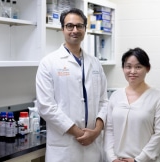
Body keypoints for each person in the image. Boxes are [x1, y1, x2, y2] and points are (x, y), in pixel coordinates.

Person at [35, 8, 108, 162]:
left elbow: (104, 101)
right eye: (70, 26)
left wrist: (96, 131)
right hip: (64, 149)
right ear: (62, 29)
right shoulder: (49, 63)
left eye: (79, 26)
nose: (75, 30)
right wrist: (79, 133)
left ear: (85, 29)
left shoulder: (95, 63)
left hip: (93, 148)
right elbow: (46, 106)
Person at [104, 47, 160, 162]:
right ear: (123, 68)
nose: (132, 71)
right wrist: (112, 158)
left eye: (138, 67)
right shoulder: (115, 96)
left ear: (147, 68)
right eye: (128, 66)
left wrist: (138, 160)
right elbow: (109, 130)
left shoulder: (158, 97)